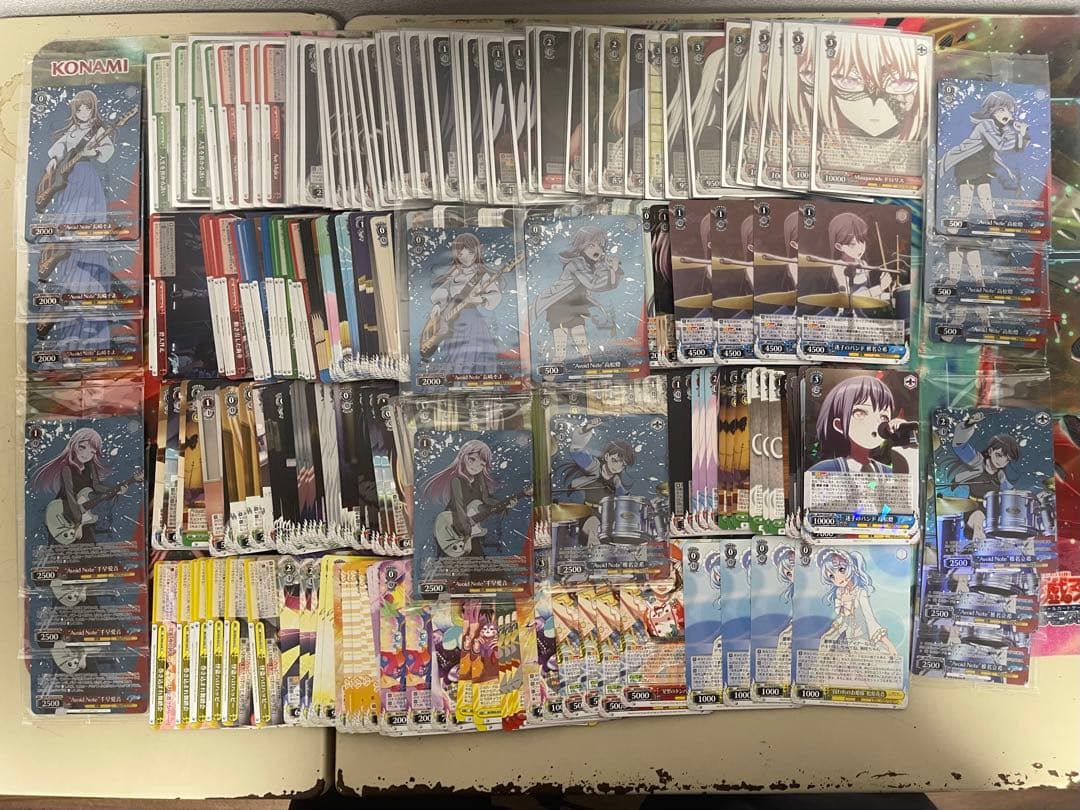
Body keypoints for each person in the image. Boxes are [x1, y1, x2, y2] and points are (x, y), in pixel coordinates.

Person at [532, 225, 623, 364]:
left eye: (600, 246)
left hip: (576, 306)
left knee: (582, 344)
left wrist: (612, 268)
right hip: (560, 306)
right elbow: (594, 283)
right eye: (591, 245)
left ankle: (588, 367)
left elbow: (605, 278)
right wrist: (613, 269)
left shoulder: (591, 263)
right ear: (582, 246)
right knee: (561, 347)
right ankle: (553, 372)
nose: (597, 250)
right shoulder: (576, 263)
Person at [941, 90, 1031, 227]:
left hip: (983, 166)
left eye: (1010, 112)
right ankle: (952, 230)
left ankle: (993, 226)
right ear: (991, 109)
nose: (1007, 115)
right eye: (1002, 110)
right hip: (968, 165)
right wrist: (1019, 133)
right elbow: (1000, 145)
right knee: (966, 206)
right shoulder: (986, 124)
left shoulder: (1001, 128)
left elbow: (1016, 147)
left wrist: (1021, 133)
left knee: (988, 204)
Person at [427, 233, 503, 376]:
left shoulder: (482, 275)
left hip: (472, 321)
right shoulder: (454, 276)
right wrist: (437, 305)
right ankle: (456, 380)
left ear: (476, 253)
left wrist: (478, 299)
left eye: (470, 253)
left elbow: (495, 295)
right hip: (452, 322)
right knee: (454, 354)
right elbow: (443, 291)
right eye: (461, 253)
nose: (465, 257)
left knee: (471, 353)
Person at [32, 428, 125, 544]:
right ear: (74, 445)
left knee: (89, 545)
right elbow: (70, 494)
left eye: (92, 452)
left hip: (83, 512)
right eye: (83, 447)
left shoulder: (90, 465)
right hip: (65, 512)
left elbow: (96, 486)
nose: (86, 454)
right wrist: (77, 521)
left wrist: (115, 490)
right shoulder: (67, 468)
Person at [421, 440, 511, 558]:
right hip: (454, 525)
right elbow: (459, 507)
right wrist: (466, 534)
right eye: (472, 459)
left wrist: (503, 504)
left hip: (471, 527)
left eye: (481, 464)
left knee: (478, 561)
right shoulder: (457, 480)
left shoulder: (480, 479)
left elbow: (486, 499)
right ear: (463, 456)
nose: (475, 466)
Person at [556, 419, 637, 546]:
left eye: (623, 465)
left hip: (606, 517)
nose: (617, 466)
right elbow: (576, 450)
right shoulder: (594, 466)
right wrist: (585, 429)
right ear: (607, 457)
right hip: (587, 513)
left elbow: (624, 500)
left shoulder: (616, 482)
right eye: (615, 460)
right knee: (594, 526)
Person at [808, 374, 913, 474]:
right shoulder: (824, 469)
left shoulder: (888, 472)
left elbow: (912, 480)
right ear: (839, 425)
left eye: (883, 417)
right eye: (860, 413)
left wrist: (905, 435)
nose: (875, 423)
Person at [943, 412, 1021, 542]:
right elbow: (959, 445)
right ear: (990, 451)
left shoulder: (1001, 476)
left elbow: (1012, 494)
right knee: (979, 516)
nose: (1002, 462)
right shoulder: (977, 461)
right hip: (973, 509)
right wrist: (968, 424)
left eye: (1007, 460)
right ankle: (978, 538)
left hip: (992, 514)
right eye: (999, 455)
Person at [42, 90, 115, 222]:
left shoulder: (98, 130)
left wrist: (94, 152)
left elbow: (108, 148)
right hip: (67, 173)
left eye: (87, 109)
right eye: (79, 110)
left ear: (93, 109)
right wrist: (54, 159)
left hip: (85, 173)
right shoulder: (73, 129)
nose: (83, 113)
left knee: (86, 201)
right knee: (67, 202)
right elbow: (62, 144)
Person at [816, 547, 898, 657]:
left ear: (851, 567)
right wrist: (832, 631)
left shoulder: (860, 593)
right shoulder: (840, 593)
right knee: (825, 642)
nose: (838, 578)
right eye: (831, 576)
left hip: (864, 639)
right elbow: (843, 617)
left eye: (841, 570)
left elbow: (870, 619)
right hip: (851, 640)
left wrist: (888, 643)